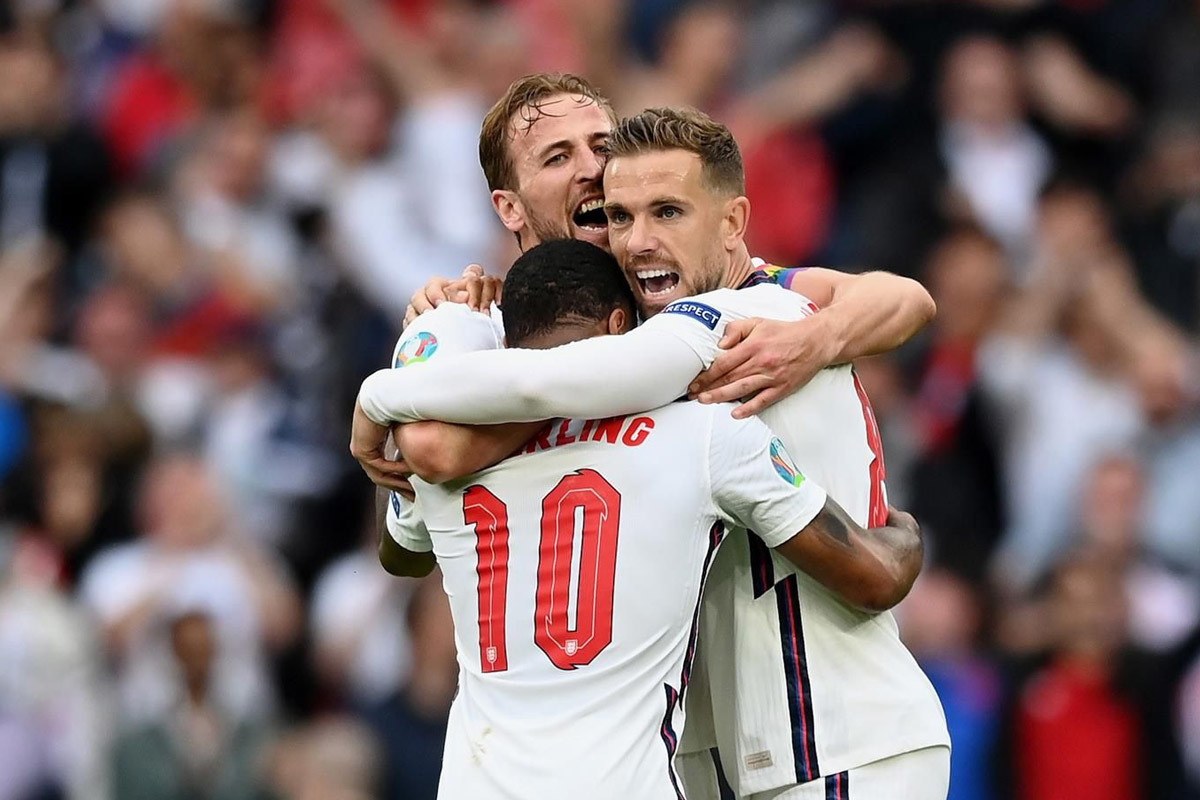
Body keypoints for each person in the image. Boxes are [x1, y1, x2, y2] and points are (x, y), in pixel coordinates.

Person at [353, 107, 950, 799]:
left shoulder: (750, 319)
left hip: (833, 743)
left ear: (733, 222)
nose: (636, 238)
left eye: (666, 211)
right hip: (702, 764)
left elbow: (906, 298)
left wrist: (389, 395)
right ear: (508, 207)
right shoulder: (528, 341)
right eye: (619, 212)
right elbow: (406, 535)